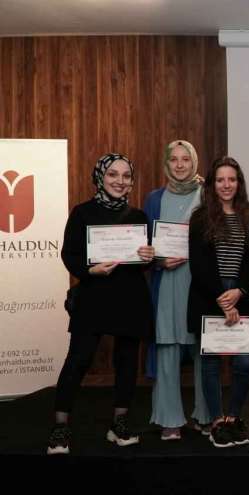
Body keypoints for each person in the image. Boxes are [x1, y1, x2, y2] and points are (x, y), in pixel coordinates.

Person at [48, 153, 154, 455]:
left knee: (126, 362)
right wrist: (90, 269)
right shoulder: (82, 213)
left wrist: (147, 257)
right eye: (113, 175)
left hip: (130, 298)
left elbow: (138, 262)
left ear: (131, 181)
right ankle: (60, 427)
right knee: (78, 360)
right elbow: (69, 255)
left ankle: (119, 423)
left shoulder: (138, 217)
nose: (120, 181)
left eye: (125, 176)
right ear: (100, 177)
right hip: (94, 296)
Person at [187, 156, 249, 448]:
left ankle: (233, 419)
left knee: (243, 363)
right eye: (220, 180)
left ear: (239, 183)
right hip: (210, 296)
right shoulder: (200, 217)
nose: (226, 185)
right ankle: (217, 421)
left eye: (232, 179)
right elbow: (199, 264)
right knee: (211, 363)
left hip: (239, 295)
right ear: (212, 184)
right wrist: (223, 299)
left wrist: (240, 291)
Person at [144, 140, 212, 440]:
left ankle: (205, 415)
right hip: (167, 282)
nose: (181, 165)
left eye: (186, 159)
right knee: (168, 349)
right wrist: (157, 260)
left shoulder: (207, 195)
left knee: (202, 350)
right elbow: (144, 245)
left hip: (198, 282)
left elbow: (216, 237)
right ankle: (169, 417)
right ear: (167, 163)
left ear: (194, 162)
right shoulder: (153, 199)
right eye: (174, 160)